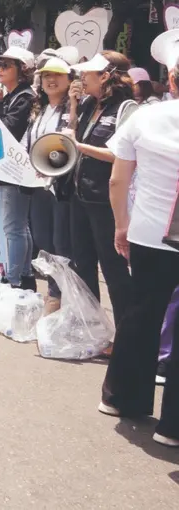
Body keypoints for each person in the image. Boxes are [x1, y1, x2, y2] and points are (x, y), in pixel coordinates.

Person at [99, 45, 179, 447]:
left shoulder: (145, 116)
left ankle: (121, 400)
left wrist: (120, 226)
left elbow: (118, 180)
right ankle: (173, 427)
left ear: (171, 80)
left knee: (141, 314)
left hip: (148, 234)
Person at [66, 51, 138, 326]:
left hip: (106, 202)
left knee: (113, 269)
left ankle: (125, 333)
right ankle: (93, 328)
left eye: (88, 74)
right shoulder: (86, 104)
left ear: (105, 76)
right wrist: (73, 104)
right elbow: (74, 134)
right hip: (79, 195)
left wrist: (79, 146)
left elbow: (121, 155)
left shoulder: (126, 108)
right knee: (82, 264)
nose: (82, 79)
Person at [26, 58, 73, 314]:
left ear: (69, 80)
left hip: (61, 187)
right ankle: (54, 292)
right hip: (38, 185)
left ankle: (58, 295)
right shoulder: (39, 109)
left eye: (57, 76)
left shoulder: (73, 108)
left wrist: (75, 105)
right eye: (45, 77)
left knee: (61, 243)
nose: (50, 81)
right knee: (43, 240)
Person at [0, 46, 38, 290]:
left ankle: (14, 279)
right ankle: (24, 274)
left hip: (15, 168)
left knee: (14, 228)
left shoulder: (25, 97)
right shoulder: (15, 95)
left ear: (22, 70)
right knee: (19, 226)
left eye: (6, 65)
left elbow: (7, 130)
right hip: (14, 168)